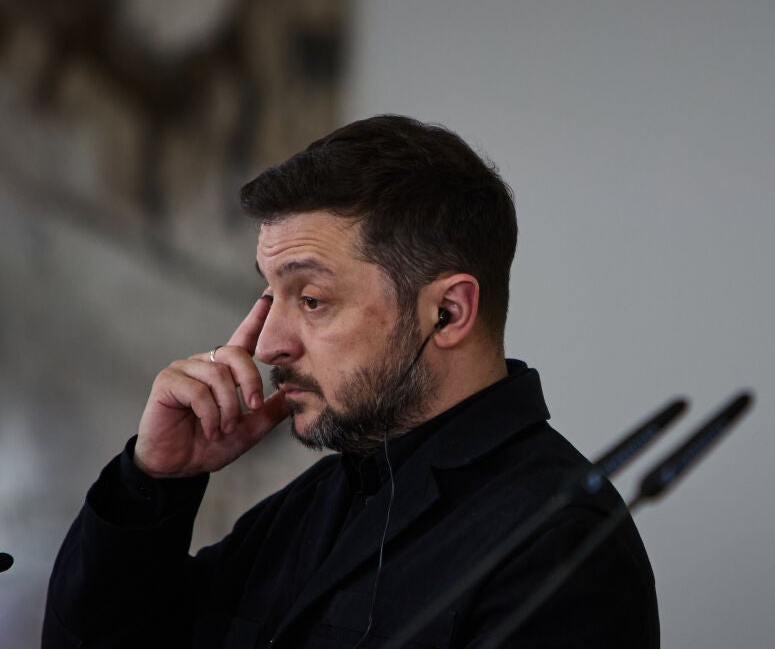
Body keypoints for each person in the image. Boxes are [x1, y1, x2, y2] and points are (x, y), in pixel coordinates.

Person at [43, 115, 660, 648]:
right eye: (270, 295)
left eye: (311, 299)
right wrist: (152, 485)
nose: (267, 344)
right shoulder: (317, 503)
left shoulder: (559, 539)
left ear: (448, 313)